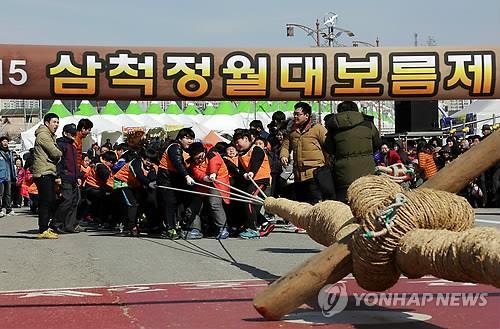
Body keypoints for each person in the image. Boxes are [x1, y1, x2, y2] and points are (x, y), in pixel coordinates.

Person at [324, 101, 381, 202]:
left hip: (342, 176)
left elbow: (329, 148)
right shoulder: (368, 124)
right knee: (367, 204)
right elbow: (377, 143)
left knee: (345, 207)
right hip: (367, 174)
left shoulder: (333, 128)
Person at [280, 102, 328, 204]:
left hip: (314, 173)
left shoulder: (317, 128)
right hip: (298, 174)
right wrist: (284, 155)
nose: (295, 116)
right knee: (301, 205)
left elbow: (327, 144)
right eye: (294, 114)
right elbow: (285, 146)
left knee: (315, 204)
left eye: (298, 114)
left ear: (306, 116)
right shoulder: (291, 130)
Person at [156, 128, 195, 239]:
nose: (190, 141)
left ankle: (174, 226)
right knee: (170, 203)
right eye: (187, 138)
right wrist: (186, 176)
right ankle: (169, 229)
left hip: (174, 179)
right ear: (180, 138)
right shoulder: (174, 147)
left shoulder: (184, 150)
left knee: (176, 204)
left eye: (191, 138)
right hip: (166, 179)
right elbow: (178, 162)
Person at [186, 142, 230, 240]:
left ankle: (223, 228)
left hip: (218, 182)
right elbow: (197, 172)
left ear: (203, 151)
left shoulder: (212, 152)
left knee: (214, 203)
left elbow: (215, 162)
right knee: (194, 206)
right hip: (203, 184)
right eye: (197, 158)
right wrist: (205, 178)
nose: (200, 159)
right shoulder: (192, 163)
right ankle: (195, 229)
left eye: (201, 156)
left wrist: (213, 173)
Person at [233, 130, 271, 239]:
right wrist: (243, 174)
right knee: (244, 201)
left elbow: (256, 161)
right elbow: (241, 169)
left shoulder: (256, 149)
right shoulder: (241, 154)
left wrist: (252, 172)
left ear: (246, 139)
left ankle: (253, 228)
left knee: (249, 201)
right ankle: (264, 223)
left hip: (260, 180)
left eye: (237, 142)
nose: (236, 145)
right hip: (251, 180)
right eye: (234, 143)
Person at [32, 113, 63, 239]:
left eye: (57, 122)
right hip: (43, 171)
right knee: (46, 201)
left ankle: (45, 228)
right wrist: (60, 153)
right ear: (46, 123)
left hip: (48, 171)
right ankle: (43, 229)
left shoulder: (49, 135)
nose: (56, 125)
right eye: (54, 122)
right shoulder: (43, 135)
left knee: (49, 200)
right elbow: (55, 152)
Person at [54, 124, 82, 233]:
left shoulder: (72, 145)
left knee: (75, 201)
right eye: (72, 133)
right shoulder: (61, 145)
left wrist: (78, 176)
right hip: (64, 176)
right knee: (67, 201)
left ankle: (69, 225)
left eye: (75, 133)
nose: (74, 136)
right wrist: (58, 176)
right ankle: (56, 223)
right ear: (66, 133)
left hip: (73, 177)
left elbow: (74, 163)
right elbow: (58, 162)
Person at [0, 136, 17, 216]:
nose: (5, 143)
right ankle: (0, 210)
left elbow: (12, 165)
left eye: (6, 141)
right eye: (4, 141)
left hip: (8, 176)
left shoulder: (9, 152)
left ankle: (8, 209)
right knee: (1, 193)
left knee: (8, 193)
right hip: (1, 176)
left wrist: (14, 175)